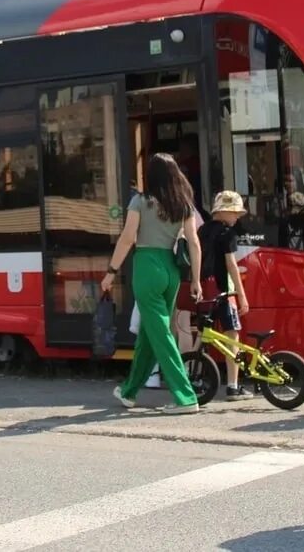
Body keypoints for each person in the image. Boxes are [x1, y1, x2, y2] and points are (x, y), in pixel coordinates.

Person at [101, 153, 202, 414]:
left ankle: (185, 396)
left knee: (161, 334)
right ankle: (129, 392)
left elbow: (127, 238)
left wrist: (111, 272)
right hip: (172, 269)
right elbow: (193, 242)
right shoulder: (184, 205)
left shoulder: (140, 201)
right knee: (150, 332)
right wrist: (197, 280)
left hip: (147, 266)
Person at [199, 191, 252, 399]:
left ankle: (193, 376)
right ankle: (233, 385)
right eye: (235, 213)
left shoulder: (202, 230)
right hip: (224, 290)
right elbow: (231, 265)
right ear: (224, 212)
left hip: (205, 290)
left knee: (202, 334)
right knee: (232, 335)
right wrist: (242, 294)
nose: (237, 217)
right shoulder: (228, 234)